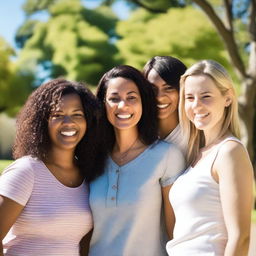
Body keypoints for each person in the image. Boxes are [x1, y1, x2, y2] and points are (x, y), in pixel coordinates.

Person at [0, 78, 105, 256]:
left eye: (77, 114)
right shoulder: (26, 171)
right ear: (42, 122)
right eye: (57, 115)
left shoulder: (88, 176)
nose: (68, 122)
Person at [89, 65, 186, 256]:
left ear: (143, 103)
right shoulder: (91, 157)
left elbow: (176, 233)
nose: (122, 105)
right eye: (114, 98)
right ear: (102, 103)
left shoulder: (166, 156)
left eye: (132, 98)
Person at [166, 60, 254, 256]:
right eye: (189, 97)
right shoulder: (196, 154)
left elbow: (240, 237)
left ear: (228, 98)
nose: (196, 105)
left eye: (206, 96)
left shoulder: (230, 152)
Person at [143, 56, 187, 154]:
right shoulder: (138, 136)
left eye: (168, 88)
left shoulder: (197, 139)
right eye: (152, 89)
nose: (159, 97)